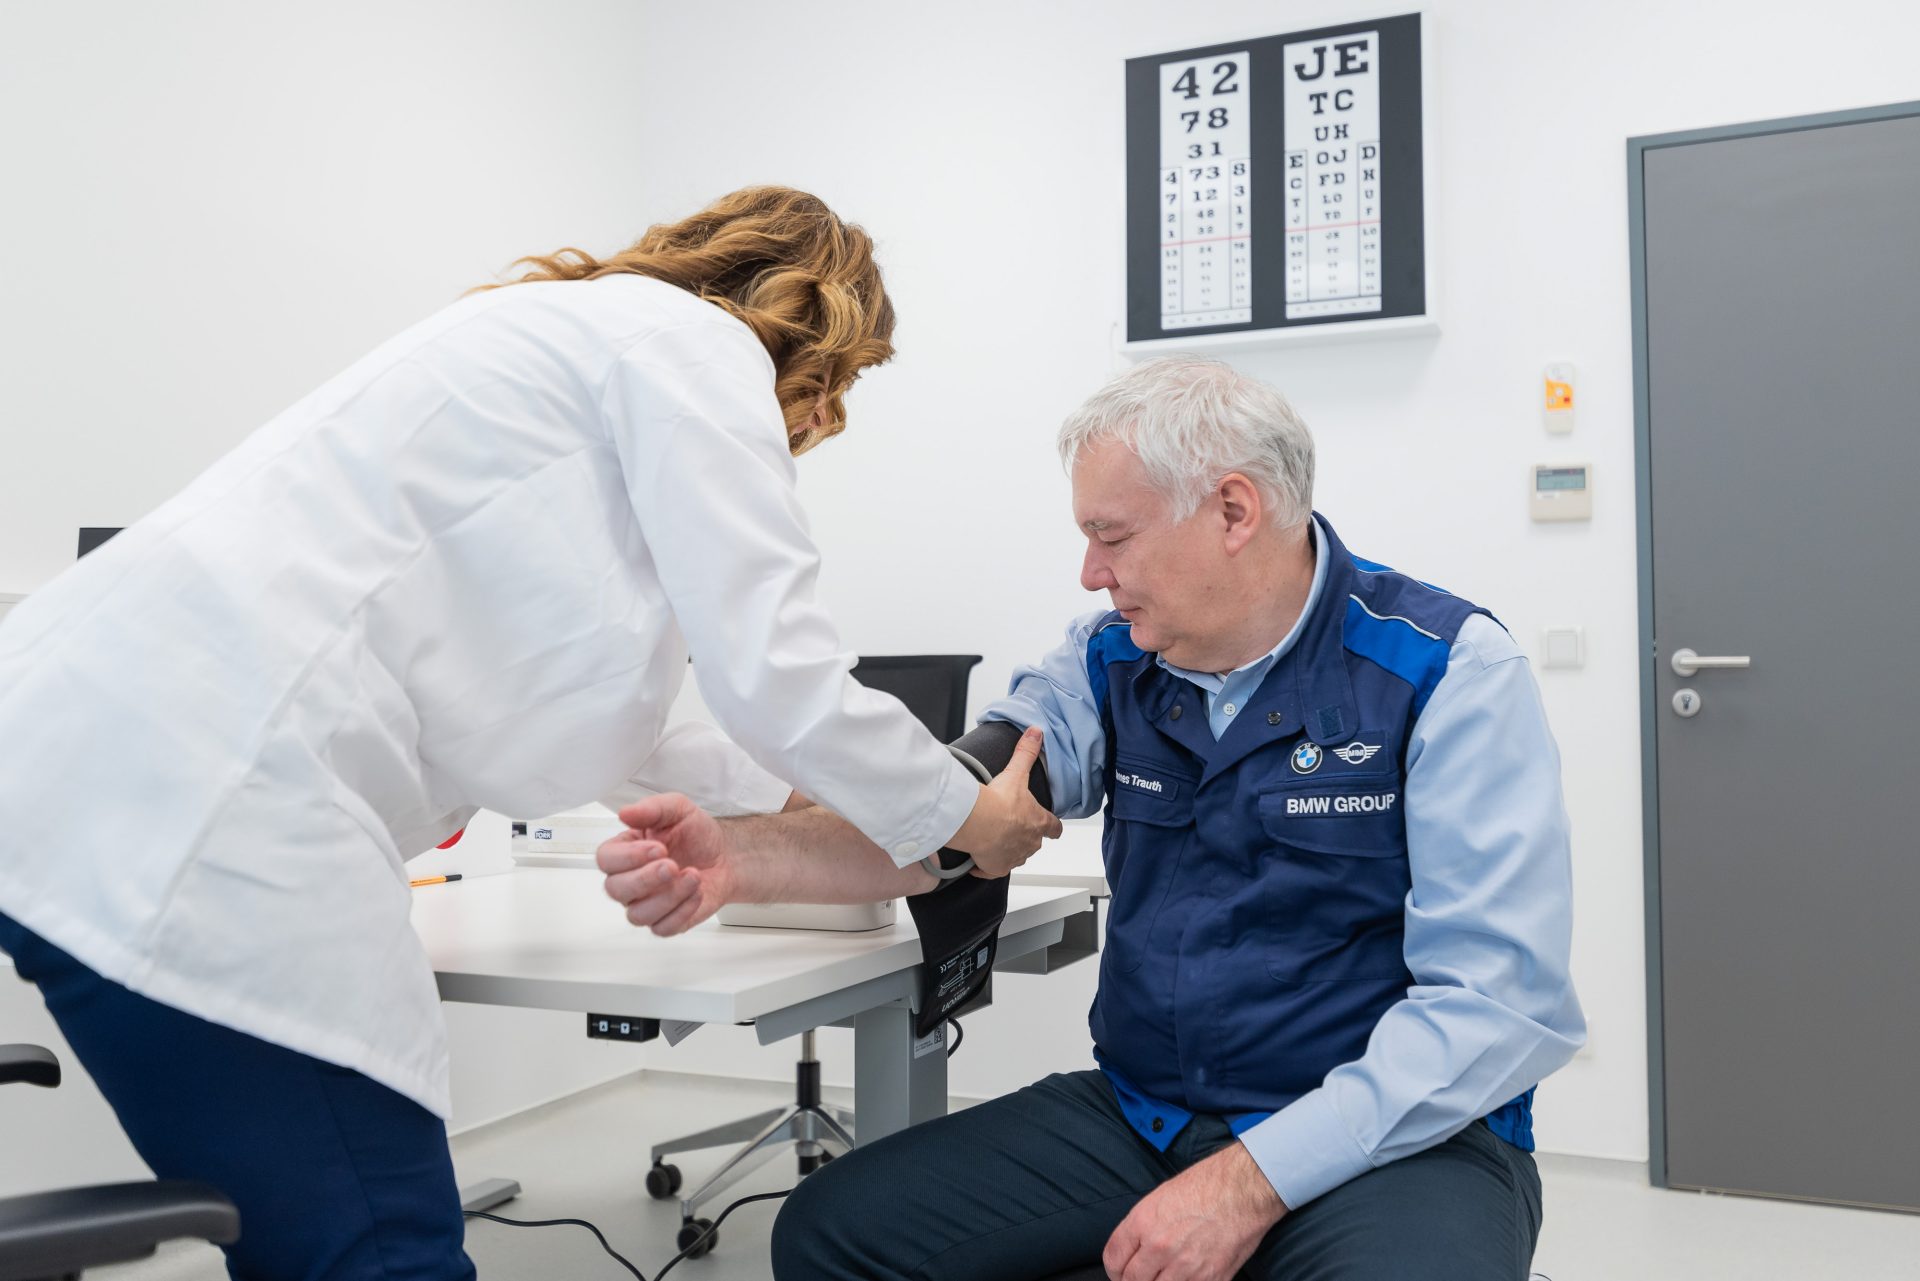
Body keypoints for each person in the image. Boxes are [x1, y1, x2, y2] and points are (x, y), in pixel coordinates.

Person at [0, 185, 1059, 1280]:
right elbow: (777, 675)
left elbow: (643, 706)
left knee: (325, 1235)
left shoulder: (546, 346)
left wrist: (793, 810)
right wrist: (970, 814)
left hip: (68, 758)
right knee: (376, 1249)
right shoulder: (693, 349)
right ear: (819, 354)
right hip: (209, 800)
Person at [600, 356, 1587, 1281]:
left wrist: (1248, 1183)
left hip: (1395, 1135)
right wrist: (737, 857)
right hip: (1150, 1118)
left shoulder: (1444, 671)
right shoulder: (1110, 660)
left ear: (1233, 510)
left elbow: (1496, 1009)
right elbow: (950, 813)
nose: (1089, 573)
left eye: (1111, 537)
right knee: (835, 1232)